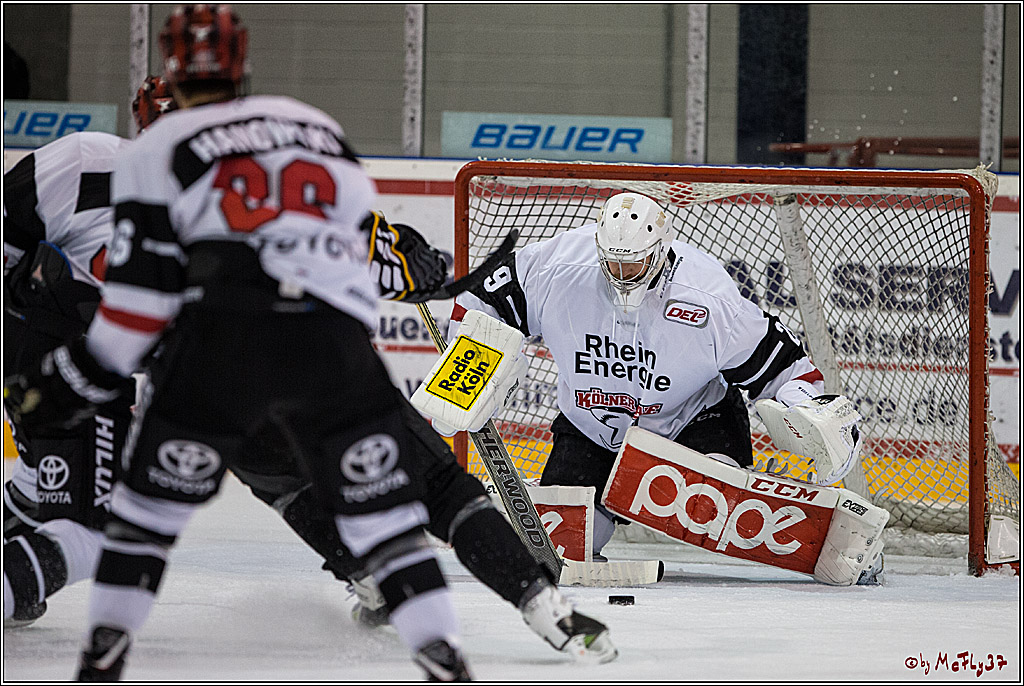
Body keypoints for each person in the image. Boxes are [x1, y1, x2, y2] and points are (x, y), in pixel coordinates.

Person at [5, 5, 464, 681]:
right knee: (100, 524)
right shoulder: (115, 168)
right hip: (63, 357)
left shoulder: (179, 184)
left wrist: (405, 260)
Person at [445, 191, 871, 572]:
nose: (621, 272)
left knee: (712, 499)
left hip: (692, 423)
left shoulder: (706, 295)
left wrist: (811, 409)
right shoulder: (560, 265)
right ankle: (560, 497)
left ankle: (818, 529)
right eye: (611, 261)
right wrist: (468, 369)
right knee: (567, 544)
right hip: (591, 429)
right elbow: (481, 299)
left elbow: (781, 364)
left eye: (634, 262)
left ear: (662, 249)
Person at [2, 75, 177, 627]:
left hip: (57, 353)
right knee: (102, 529)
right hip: (58, 353)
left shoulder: (91, 157)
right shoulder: (222, 206)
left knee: (42, 483)